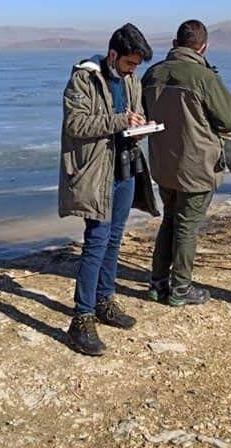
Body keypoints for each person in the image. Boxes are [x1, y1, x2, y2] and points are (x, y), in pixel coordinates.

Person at [58, 23, 158, 356]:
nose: (132, 71)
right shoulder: (83, 79)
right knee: (96, 242)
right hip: (96, 173)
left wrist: (141, 126)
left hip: (126, 168)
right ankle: (82, 317)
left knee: (115, 238)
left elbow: (135, 113)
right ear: (113, 55)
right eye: (129, 63)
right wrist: (120, 122)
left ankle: (105, 300)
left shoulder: (131, 80)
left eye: (136, 66)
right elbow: (76, 124)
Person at [142, 19, 231, 306]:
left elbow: (142, 113)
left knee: (170, 220)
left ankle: (158, 283)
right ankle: (180, 289)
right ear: (203, 47)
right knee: (186, 226)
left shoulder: (152, 74)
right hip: (196, 165)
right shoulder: (204, 77)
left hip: (163, 163)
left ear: (175, 43)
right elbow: (228, 120)